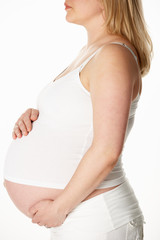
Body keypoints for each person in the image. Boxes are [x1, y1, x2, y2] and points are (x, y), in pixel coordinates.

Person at [4, 0, 153, 239]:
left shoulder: (113, 54)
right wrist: (39, 118)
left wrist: (59, 208)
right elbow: (80, 117)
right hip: (78, 216)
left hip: (94, 218)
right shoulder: (92, 52)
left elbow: (107, 150)